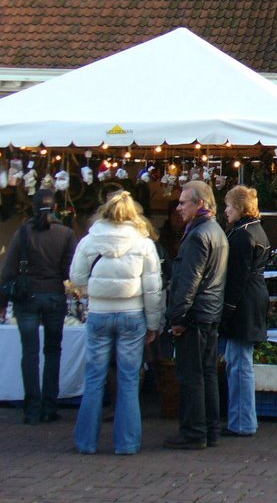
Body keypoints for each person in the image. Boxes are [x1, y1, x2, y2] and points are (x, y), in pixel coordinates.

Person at [70, 190, 164, 454]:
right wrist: (154, 323)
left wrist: (94, 291)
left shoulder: (90, 240)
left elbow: (76, 278)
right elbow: (153, 287)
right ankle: (127, 443)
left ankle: (86, 442)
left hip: (99, 313)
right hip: (132, 314)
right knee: (129, 380)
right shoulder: (143, 243)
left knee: (94, 379)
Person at [0, 188, 77, 424]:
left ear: (33, 208)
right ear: (55, 207)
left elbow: (8, 270)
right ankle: (49, 406)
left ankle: (32, 409)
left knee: (30, 352)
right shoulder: (65, 233)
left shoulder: (23, 233)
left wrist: (2, 303)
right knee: (53, 351)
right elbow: (69, 271)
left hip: (27, 297)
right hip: (54, 295)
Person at [163, 180, 229, 449]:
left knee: (191, 375)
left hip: (196, 315)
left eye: (183, 202)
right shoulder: (217, 231)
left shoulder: (197, 235)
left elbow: (188, 280)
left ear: (199, 203)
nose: (178, 208)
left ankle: (193, 432)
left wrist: (178, 318)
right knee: (207, 374)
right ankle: (210, 429)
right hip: (210, 311)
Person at [220, 185, 271, 438]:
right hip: (254, 297)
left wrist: (227, 309)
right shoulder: (257, 230)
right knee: (239, 361)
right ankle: (241, 419)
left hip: (244, 302)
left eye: (229, 205)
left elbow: (236, 277)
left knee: (239, 364)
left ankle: (242, 422)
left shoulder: (242, 235)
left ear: (239, 207)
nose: (226, 211)